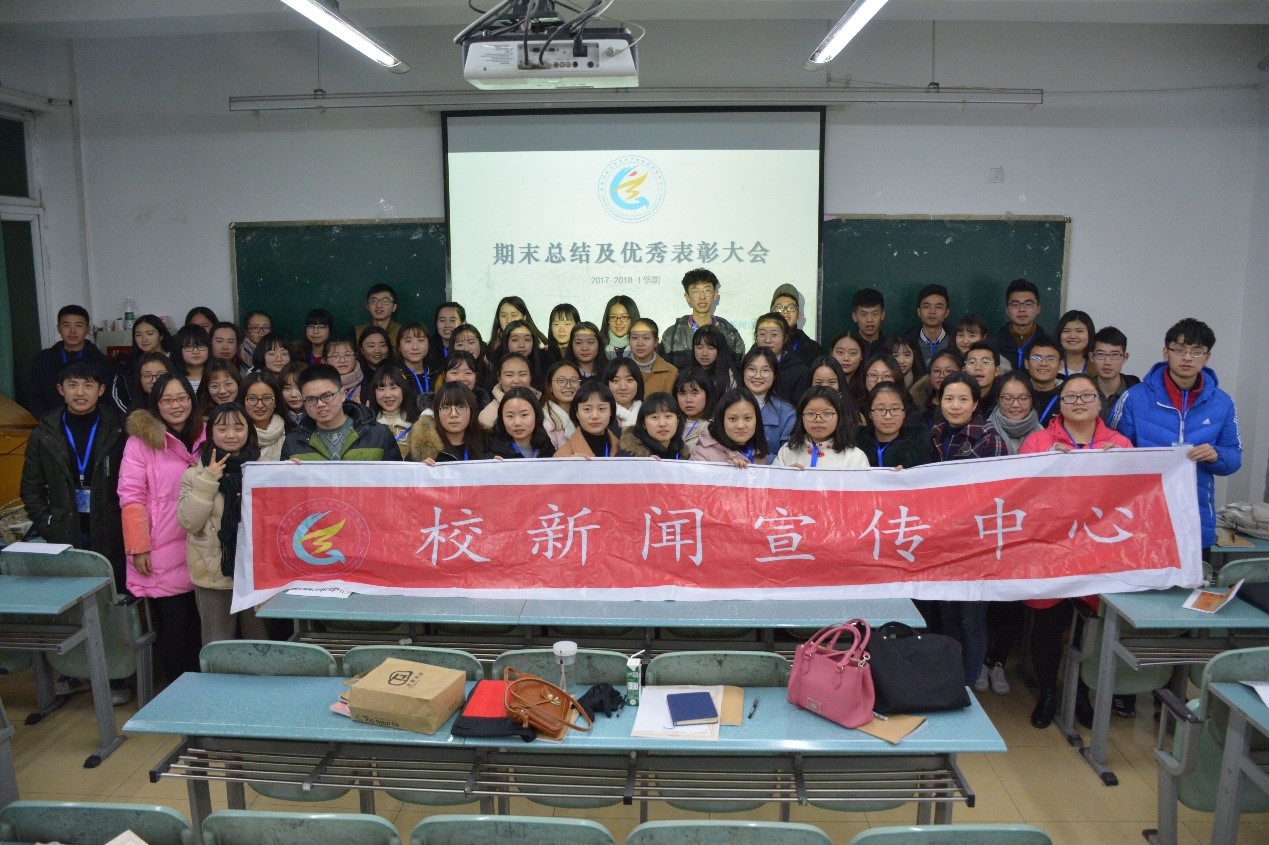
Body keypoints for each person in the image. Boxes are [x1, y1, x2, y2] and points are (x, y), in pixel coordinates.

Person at [1021, 374, 1133, 728]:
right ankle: (1047, 694)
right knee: (1048, 623)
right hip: (1050, 548)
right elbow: (1019, 493)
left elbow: (1134, 498)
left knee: (1092, 627)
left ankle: (1082, 693)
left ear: (1100, 402)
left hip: (1099, 550)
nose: (1079, 402)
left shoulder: (1120, 444)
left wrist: (1125, 467)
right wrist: (1043, 465)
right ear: (1059, 404)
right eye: (1071, 397)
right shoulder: (1038, 441)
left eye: (1087, 396)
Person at [1111, 317, 1242, 552]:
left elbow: (1234, 458)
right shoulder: (1135, 398)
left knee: (1198, 576)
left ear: (1207, 357)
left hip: (1196, 519)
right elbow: (1111, 451)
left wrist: (1216, 455)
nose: (1187, 357)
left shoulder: (1222, 403)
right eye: (1179, 350)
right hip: (1141, 517)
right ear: (1166, 352)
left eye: (1197, 351)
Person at [119, 373, 206, 683]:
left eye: (182, 398)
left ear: (192, 401)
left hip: (204, 549)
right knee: (174, 631)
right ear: (156, 405)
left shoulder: (208, 434)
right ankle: (178, 694)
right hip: (161, 552)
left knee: (202, 630)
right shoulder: (139, 443)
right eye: (167, 400)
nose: (176, 405)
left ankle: (204, 694)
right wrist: (138, 547)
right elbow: (131, 497)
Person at [20, 361, 127, 598]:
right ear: (61, 389)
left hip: (110, 530)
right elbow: (31, 488)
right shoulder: (45, 432)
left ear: (101, 390)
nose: (80, 393)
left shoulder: (118, 429)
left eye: (88, 385)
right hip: (63, 529)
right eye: (72, 385)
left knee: (110, 598)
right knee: (71, 599)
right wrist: (49, 524)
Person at [930, 372, 1007, 688]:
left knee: (971, 619)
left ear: (976, 403)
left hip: (977, 543)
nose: (955, 405)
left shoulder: (989, 438)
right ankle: (953, 681)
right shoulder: (935, 434)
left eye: (963, 399)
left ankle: (970, 684)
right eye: (949, 398)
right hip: (942, 541)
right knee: (948, 616)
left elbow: (998, 494)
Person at [177, 401, 267, 646]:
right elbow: (189, 522)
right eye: (222, 428)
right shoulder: (194, 474)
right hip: (213, 574)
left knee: (259, 643)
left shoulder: (262, 469)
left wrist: (291, 472)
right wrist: (208, 480)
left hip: (255, 573)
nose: (231, 435)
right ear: (210, 433)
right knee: (217, 644)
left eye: (238, 427)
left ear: (249, 431)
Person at [280, 364, 403, 461]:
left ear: (343, 394)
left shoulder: (379, 435)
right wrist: (289, 472)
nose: (320, 404)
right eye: (311, 399)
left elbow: (398, 480)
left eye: (327, 396)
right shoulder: (293, 443)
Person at [29, 305, 111, 419]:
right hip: (50, 422)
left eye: (79, 325)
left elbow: (106, 398)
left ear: (88, 329)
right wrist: (49, 421)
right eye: (66, 325)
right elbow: (35, 396)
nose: (72, 331)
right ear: (58, 328)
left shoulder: (101, 361)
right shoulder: (43, 359)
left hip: (91, 422)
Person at [659, 268, 746, 367]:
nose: (702, 297)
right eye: (695, 291)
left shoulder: (730, 334)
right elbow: (666, 371)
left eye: (707, 290)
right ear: (687, 297)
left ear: (715, 294)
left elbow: (738, 368)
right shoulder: (672, 335)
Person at [775, 387, 868, 469]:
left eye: (827, 413)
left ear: (839, 417)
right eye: (811, 414)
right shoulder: (788, 451)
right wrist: (788, 475)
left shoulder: (855, 457)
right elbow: (772, 481)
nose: (818, 419)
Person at [855, 382, 936, 469]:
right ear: (870, 414)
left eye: (895, 409)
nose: (888, 416)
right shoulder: (855, 446)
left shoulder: (919, 447)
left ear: (904, 412)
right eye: (881, 409)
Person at [689, 387, 769, 467]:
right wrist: (730, 471)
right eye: (732, 419)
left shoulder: (760, 453)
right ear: (721, 420)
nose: (741, 426)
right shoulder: (702, 454)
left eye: (747, 418)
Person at [408, 382, 485, 463]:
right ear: (437, 412)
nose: (453, 414)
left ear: (472, 410)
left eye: (461, 407)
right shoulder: (422, 450)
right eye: (446, 408)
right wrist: (420, 468)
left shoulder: (487, 444)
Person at [741, 347, 795, 453]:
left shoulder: (787, 413)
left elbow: (788, 457)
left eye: (765, 370)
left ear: (775, 375)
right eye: (751, 369)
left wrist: (758, 459)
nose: (757, 376)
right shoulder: (728, 404)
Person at [483, 386, 556, 459]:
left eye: (524, 415)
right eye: (510, 416)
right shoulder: (492, 453)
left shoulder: (547, 447)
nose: (517, 423)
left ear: (536, 415)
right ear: (501, 418)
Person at [996, 279, 1051, 372]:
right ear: (1007, 310)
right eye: (1015, 304)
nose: (1022, 309)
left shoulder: (1048, 343)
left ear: (1038, 309)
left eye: (1028, 304)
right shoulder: (994, 342)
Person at [754, 311, 809, 404]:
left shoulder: (799, 371)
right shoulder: (747, 366)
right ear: (756, 337)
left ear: (785, 338)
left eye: (774, 335)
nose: (767, 340)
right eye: (762, 334)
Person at [554, 381, 620, 458]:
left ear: (611, 411)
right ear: (577, 413)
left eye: (601, 409)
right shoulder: (563, 456)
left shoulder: (622, 449)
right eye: (587, 409)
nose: (595, 416)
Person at [368, 364, 421, 458]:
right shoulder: (367, 426)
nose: (388, 395)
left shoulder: (419, 424)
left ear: (403, 390)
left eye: (393, 388)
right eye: (381, 389)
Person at [477, 353, 538, 430]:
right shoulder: (488, 416)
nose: (516, 381)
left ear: (530, 377)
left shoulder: (542, 403)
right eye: (509, 375)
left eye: (522, 374)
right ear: (499, 378)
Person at [1090, 326, 1138, 422]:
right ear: (1091, 357)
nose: (1107, 362)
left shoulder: (1137, 394)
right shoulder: (1081, 393)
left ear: (1125, 357)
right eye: (1100, 354)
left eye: (1114, 355)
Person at [987, 371, 1043, 453]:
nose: (1015, 404)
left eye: (1023, 398)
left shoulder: (1041, 432)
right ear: (998, 400)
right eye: (1008, 398)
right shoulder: (985, 432)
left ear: (1032, 400)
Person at [619, 392, 686, 459]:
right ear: (644, 423)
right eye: (655, 417)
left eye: (668, 416)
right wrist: (644, 463)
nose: (662, 424)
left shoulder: (682, 453)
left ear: (678, 420)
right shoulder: (629, 457)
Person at [241, 372, 289, 461]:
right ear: (243, 401)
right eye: (252, 398)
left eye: (267, 398)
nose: (260, 405)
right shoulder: (235, 436)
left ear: (276, 402)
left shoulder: (290, 433)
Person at [769, 284, 821, 365]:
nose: (785, 311)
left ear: (798, 314)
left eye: (791, 308)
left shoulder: (812, 348)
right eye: (779, 308)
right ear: (771, 314)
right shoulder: (762, 344)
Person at [486, 295, 547, 362]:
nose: (508, 320)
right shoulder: (490, 347)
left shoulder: (542, 346)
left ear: (524, 317)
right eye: (503, 316)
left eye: (514, 315)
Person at [904, 284, 951, 368]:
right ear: (919, 311)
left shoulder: (956, 340)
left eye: (938, 307)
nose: (932, 311)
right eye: (926, 307)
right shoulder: (906, 341)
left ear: (947, 312)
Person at [627, 318, 678, 395]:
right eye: (634, 338)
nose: (640, 343)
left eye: (646, 338)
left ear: (656, 342)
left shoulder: (671, 372)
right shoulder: (619, 370)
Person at [806, 355, 862, 425]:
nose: (825, 387)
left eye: (831, 382)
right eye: (818, 382)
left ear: (840, 383)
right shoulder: (803, 410)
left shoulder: (854, 415)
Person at [495, 319, 548, 391]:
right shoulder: (495, 363)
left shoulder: (544, 362)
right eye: (515, 340)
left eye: (527, 339)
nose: (521, 345)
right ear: (506, 342)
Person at [673, 367, 715, 458]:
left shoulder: (714, 428)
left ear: (708, 394)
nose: (688, 400)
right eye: (682, 394)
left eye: (695, 393)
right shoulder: (670, 423)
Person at [910, 349, 962, 421]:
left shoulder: (966, 405)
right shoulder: (917, 405)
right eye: (937, 371)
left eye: (948, 371)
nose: (941, 375)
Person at [541, 360, 581, 449]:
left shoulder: (583, 415)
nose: (568, 386)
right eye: (561, 381)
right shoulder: (546, 421)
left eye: (574, 381)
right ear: (550, 386)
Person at [396, 322, 436, 409]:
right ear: (399, 346)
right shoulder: (393, 375)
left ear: (428, 344)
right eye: (408, 341)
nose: (415, 347)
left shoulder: (437, 373)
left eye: (420, 340)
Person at [691, 324, 739, 398]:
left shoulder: (730, 377)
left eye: (711, 348)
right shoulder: (688, 374)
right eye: (699, 347)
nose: (704, 353)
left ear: (720, 350)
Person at [1025, 339, 1064, 425]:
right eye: (1036, 358)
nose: (1043, 363)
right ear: (1026, 363)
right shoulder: (1017, 393)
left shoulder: (1068, 396)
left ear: (1061, 365)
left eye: (1051, 359)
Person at [826, 330, 866, 408]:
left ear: (862, 356)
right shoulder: (824, 382)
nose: (846, 358)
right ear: (831, 353)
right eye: (840, 352)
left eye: (853, 353)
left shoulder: (867, 385)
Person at [354, 283, 402, 348]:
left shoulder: (403, 332)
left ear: (394, 307)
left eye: (385, 301)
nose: (379, 306)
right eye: (374, 301)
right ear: (367, 306)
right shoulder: (356, 333)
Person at [963, 342, 1003, 415]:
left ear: (996, 371)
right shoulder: (956, 397)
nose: (978, 368)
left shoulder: (1004, 399)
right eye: (972, 362)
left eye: (985, 362)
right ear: (964, 370)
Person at [425, 301, 465, 372]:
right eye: (442, 320)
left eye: (452, 320)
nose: (447, 325)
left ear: (462, 323)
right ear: (436, 323)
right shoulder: (427, 348)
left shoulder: (472, 347)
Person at [605, 357, 644, 429]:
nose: (623, 387)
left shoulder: (648, 413)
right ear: (607, 384)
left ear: (638, 382)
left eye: (629, 380)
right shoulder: (601, 416)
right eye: (616, 380)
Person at [357, 324, 393, 400]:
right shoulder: (356, 376)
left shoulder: (397, 372)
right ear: (361, 350)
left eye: (382, 345)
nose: (377, 351)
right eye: (371, 346)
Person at [1056, 309, 1095, 378]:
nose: (1072, 336)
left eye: (1079, 331)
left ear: (1090, 334)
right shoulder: (1051, 365)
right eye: (1067, 331)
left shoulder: (1097, 367)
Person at [171, 324, 211, 393]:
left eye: (201, 345)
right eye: (189, 346)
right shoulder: (172, 377)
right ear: (179, 349)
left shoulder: (217, 374)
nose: (196, 351)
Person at [599, 295, 639, 359]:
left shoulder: (643, 347)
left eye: (624, 317)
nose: (618, 322)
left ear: (633, 318)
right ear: (607, 320)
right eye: (613, 317)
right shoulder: (597, 346)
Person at [324, 338, 364, 403]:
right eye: (335, 356)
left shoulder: (369, 384)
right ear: (325, 360)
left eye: (347, 355)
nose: (342, 360)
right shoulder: (319, 386)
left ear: (355, 357)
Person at [851, 288, 887, 359]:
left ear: (882, 315)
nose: (869, 320)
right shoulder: (845, 347)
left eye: (875, 314)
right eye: (864, 314)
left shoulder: (890, 348)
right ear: (854, 316)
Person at [277, 361, 308, 427]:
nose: (293, 395)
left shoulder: (319, 417)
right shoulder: (276, 418)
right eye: (287, 388)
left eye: (299, 387)